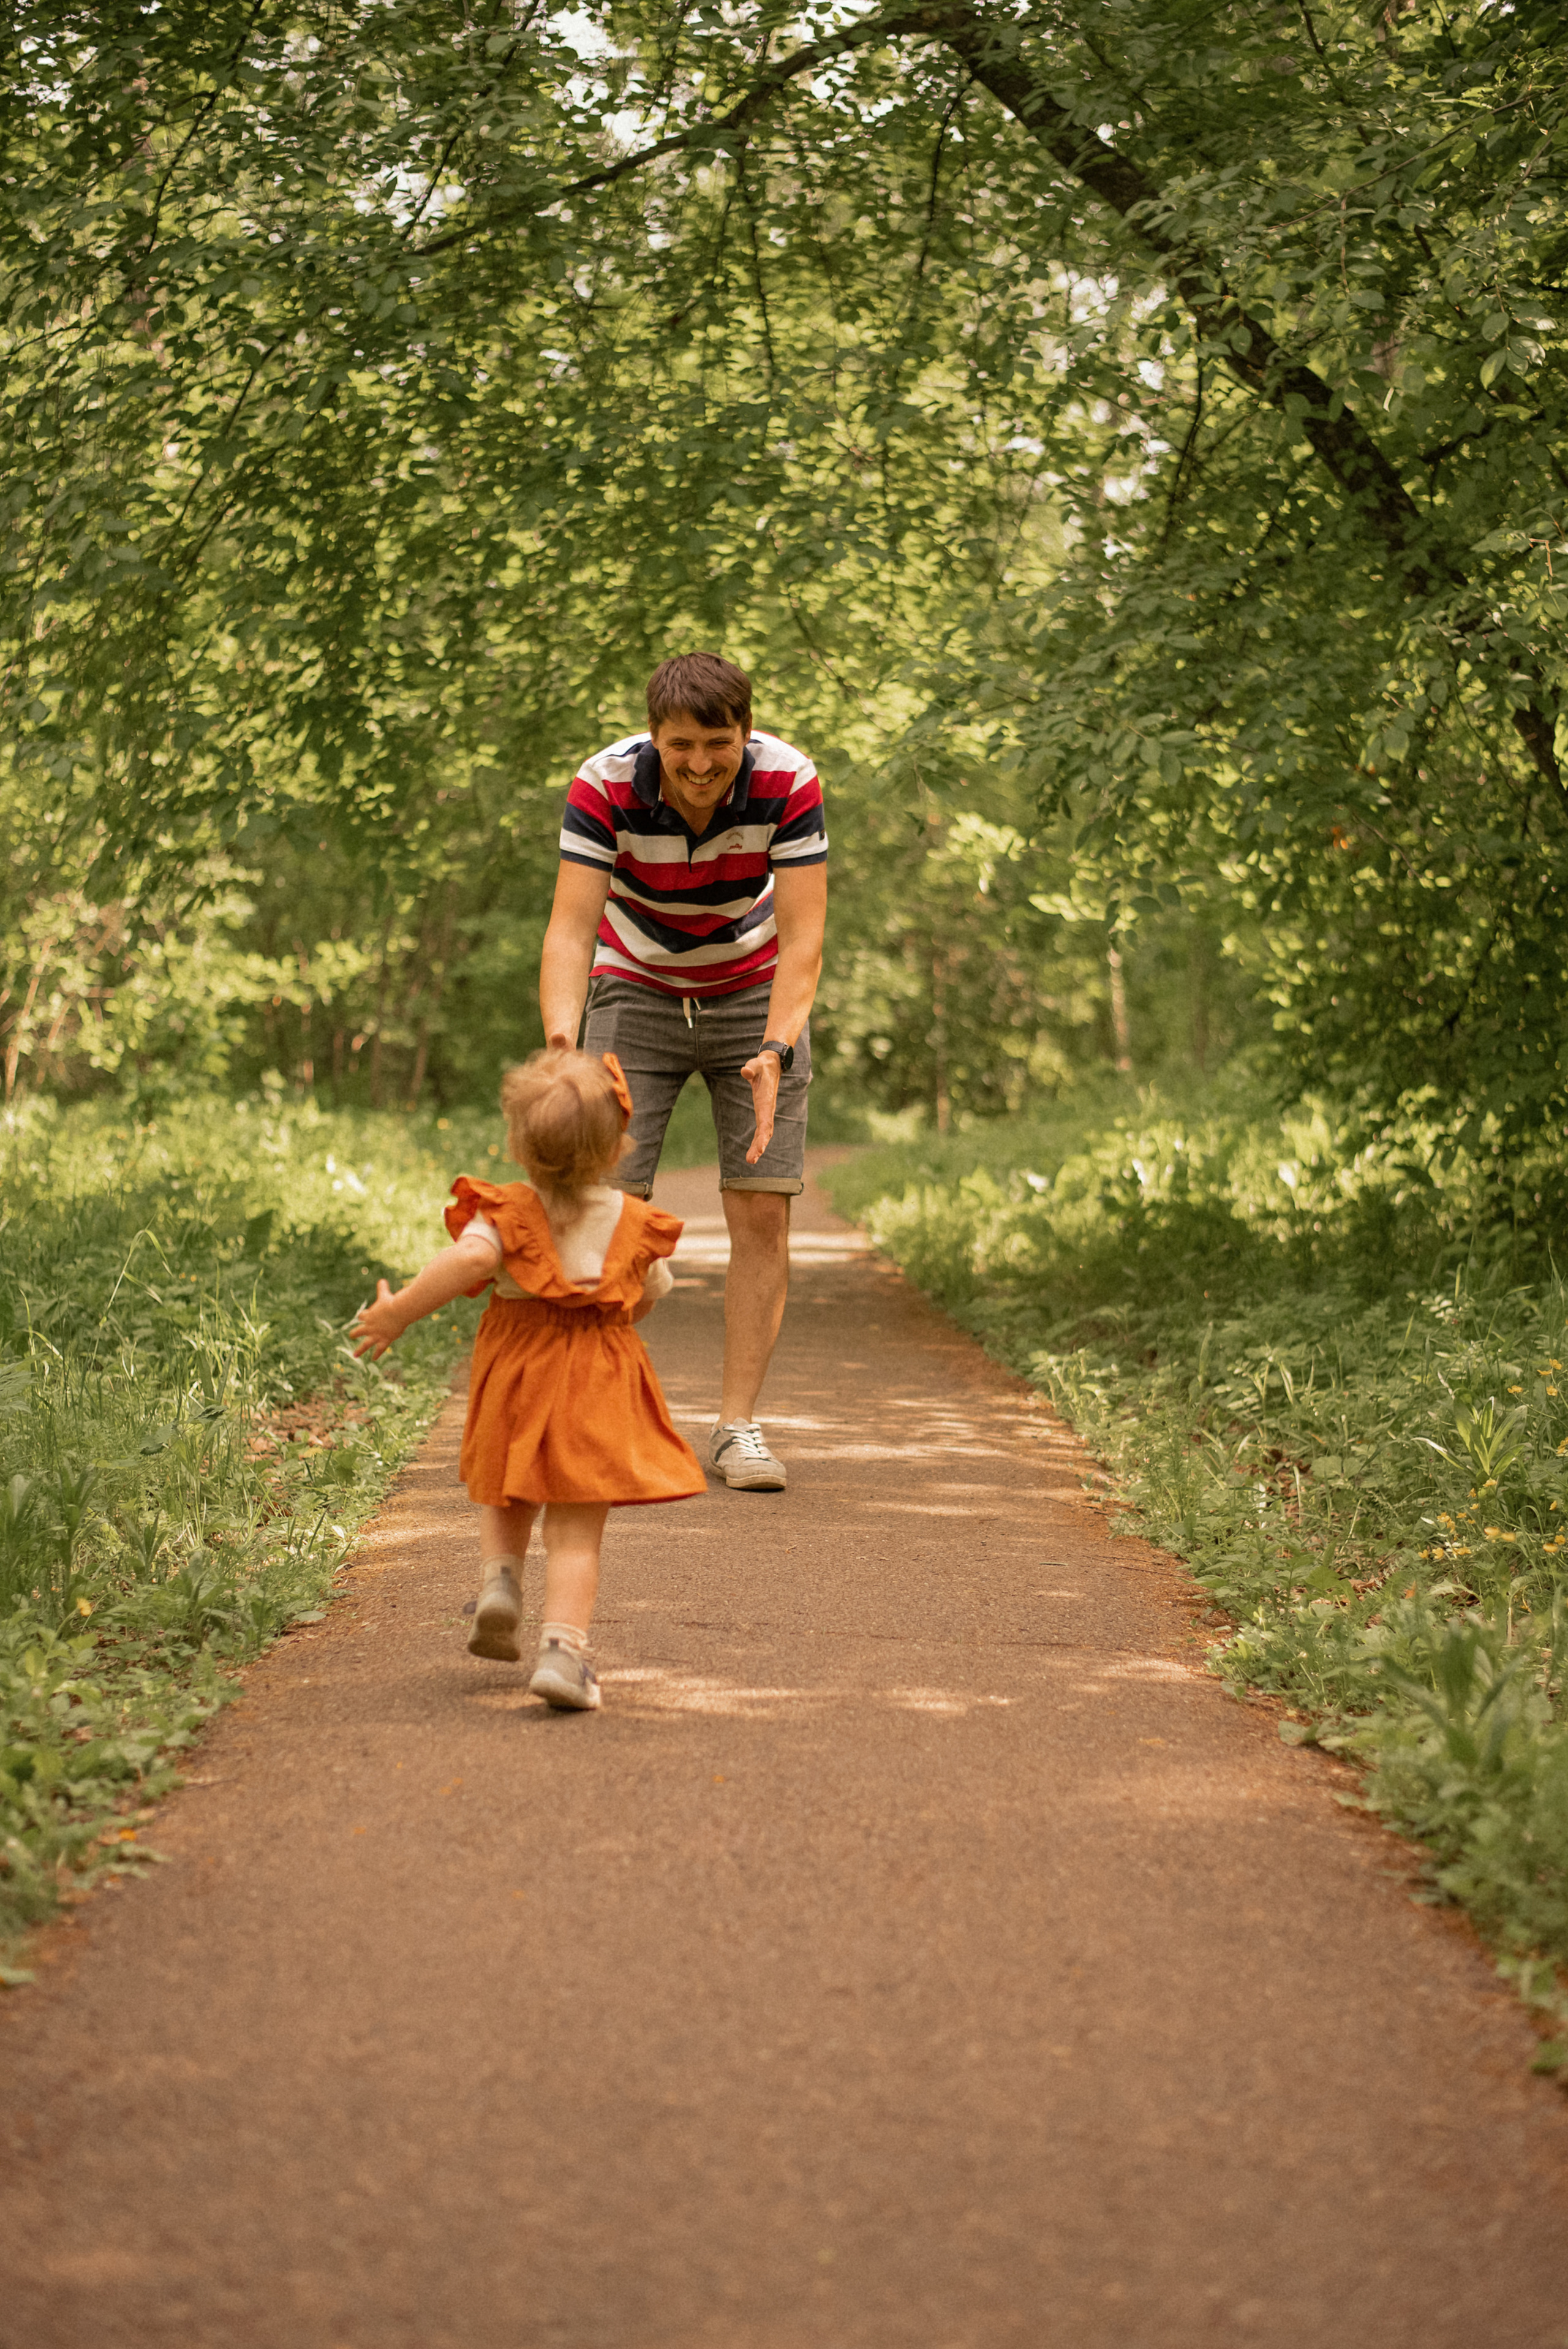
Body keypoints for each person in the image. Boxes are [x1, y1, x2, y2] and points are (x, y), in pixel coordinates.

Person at [539, 651, 827, 1494]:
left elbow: (804, 937)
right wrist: (564, 1045)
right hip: (637, 985)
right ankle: (592, 1414)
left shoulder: (789, 781)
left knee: (761, 1212)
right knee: (600, 1210)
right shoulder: (604, 786)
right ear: (653, 738)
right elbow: (570, 927)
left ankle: (739, 1429)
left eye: (718, 743)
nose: (700, 765)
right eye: (680, 746)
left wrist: (776, 1049)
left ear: (745, 731)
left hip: (753, 991)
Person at [350, 1049, 703, 1712]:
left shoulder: (503, 1214)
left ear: (519, 1145)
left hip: (516, 1368)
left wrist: (398, 1311)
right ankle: (564, 1655)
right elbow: (648, 1294)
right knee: (574, 1527)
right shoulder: (631, 1221)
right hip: (596, 1379)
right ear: (618, 1146)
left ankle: (500, 1584)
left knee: (507, 1483)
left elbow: (469, 1261)